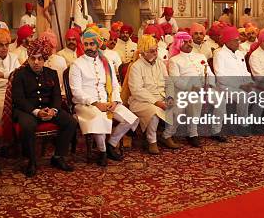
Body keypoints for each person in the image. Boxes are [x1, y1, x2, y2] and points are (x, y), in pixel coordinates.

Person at [69, 27, 139, 166]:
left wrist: (115, 100)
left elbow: (114, 85)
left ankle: (111, 145)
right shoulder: (77, 64)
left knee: (130, 119)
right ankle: (102, 152)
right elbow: (76, 91)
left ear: (98, 44)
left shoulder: (106, 62)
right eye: (86, 44)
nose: (88, 47)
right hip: (86, 104)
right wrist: (95, 103)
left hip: (108, 101)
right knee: (98, 118)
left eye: (92, 43)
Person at [10, 38, 77, 177]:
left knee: (70, 122)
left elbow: (57, 96)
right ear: (28, 59)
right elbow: (19, 99)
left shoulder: (51, 73)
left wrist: (54, 110)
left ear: (44, 59)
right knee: (28, 125)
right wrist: (36, 112)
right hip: (26, 110)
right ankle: (31, 161)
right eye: (33, 58)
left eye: (40, 58)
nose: (36, 62)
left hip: (48, 109)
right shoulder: (20, 74)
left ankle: (58, 157)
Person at [166, 31, 216, 146]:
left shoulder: (200, 56)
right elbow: (176, 81)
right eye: (186, 42)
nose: (189, 44)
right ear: (179, 44)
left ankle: (217, 131)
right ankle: (193, 133)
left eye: (190, 41)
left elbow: (210, 73)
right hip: (184, 91)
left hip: (204, 88)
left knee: (221, 100)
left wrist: (211, 85)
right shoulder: (174, 60)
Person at [124, 35, 169, 154]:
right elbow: (137, 91)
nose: (155, 53)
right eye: (152, 51)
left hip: (161, 97)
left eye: (156, 50)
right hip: (140, 101)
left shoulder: (160, 63)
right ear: (143, 52)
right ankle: (151, 141)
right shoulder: (136, 67)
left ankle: (167, 136)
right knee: (153, 112)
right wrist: (157, 102)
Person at [213, 26, 259, 135]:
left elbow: (245, 72)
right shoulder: (219, 54)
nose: (239, 42)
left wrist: (251, 83)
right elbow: (221, 77)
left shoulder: (239, 53)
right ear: (228, 41)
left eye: (238, 40)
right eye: (236, 40)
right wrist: (240, 86)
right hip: (225, 87)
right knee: (243, 95)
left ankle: (254, 122)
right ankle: (242, 125)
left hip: (242, 85)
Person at [39, 30, 68, 95]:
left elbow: (65, 84)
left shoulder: (60, 60)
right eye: (42, 44)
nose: (44, 47)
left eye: (47, 44)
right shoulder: (37, 60)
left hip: (59, 95)